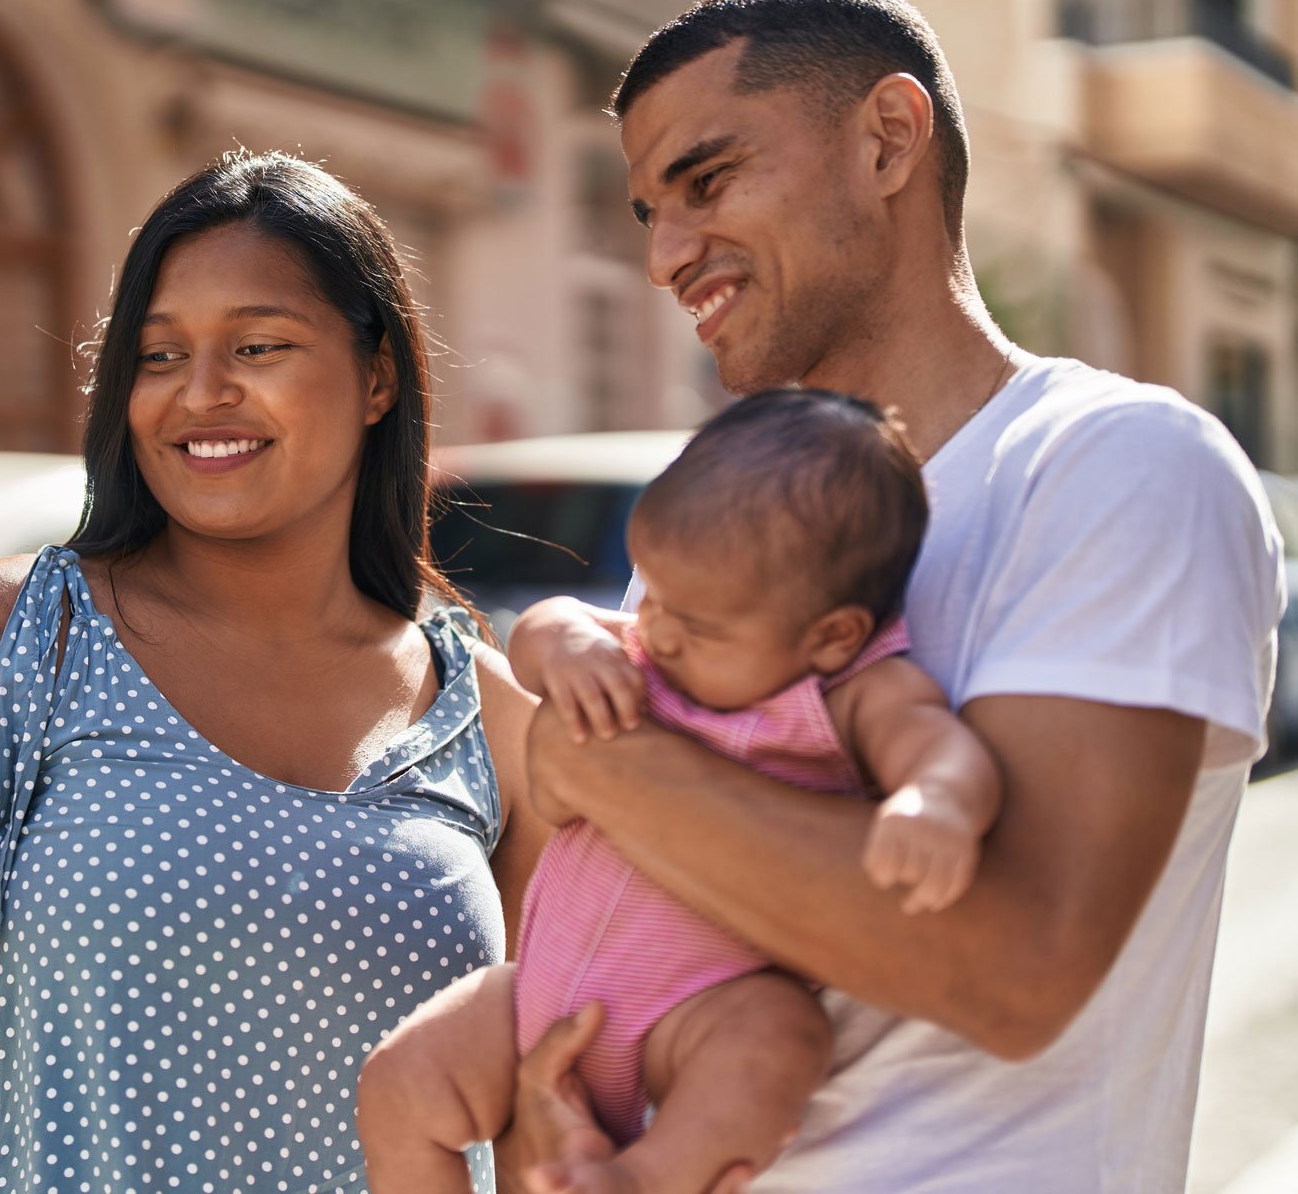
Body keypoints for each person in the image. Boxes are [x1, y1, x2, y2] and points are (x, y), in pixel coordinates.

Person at [495, 0, 1286, 1193]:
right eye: (650, 212)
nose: (662, 257)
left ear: (887, 140)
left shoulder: (1114, 463)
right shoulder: (727, 510)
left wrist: (594, 761)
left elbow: (1011, 974)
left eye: (707, 183)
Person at [0, 151, 549, 1193]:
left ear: (377, 373)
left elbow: (549, 1093)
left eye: (257, 346)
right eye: (158, 358)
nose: (201, 395)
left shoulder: (492, 713)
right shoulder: (12, 635)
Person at [358, 390, 1001, 1193]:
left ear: (831, 634)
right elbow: (544, 624)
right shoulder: (646, 655)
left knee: (780, 1038)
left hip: (691, 1014)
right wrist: (569, 650)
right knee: (397, 1082)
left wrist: (934, 802)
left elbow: (940, 748)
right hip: (541, 990)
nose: (656, 631)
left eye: (698, 626)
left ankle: (646, 1180)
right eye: (652, 594)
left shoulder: (851, 695)